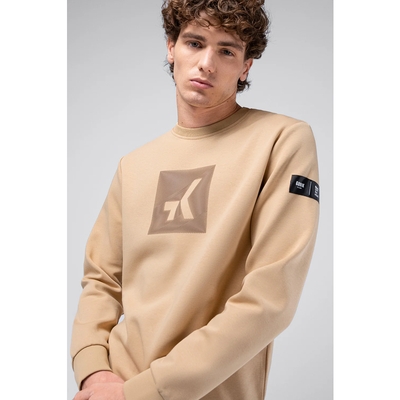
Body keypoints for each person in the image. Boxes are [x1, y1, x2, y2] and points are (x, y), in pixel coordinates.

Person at [71, 0, 320, 399]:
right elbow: (102, 280)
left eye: (227, 51)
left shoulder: (282, 140)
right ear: (171, 47)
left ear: (246, 67)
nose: (206, 63)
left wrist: (145, 391)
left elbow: (270, 299)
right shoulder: (133, 165)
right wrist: (94, 372)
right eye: (194, 43)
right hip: (113, 387)